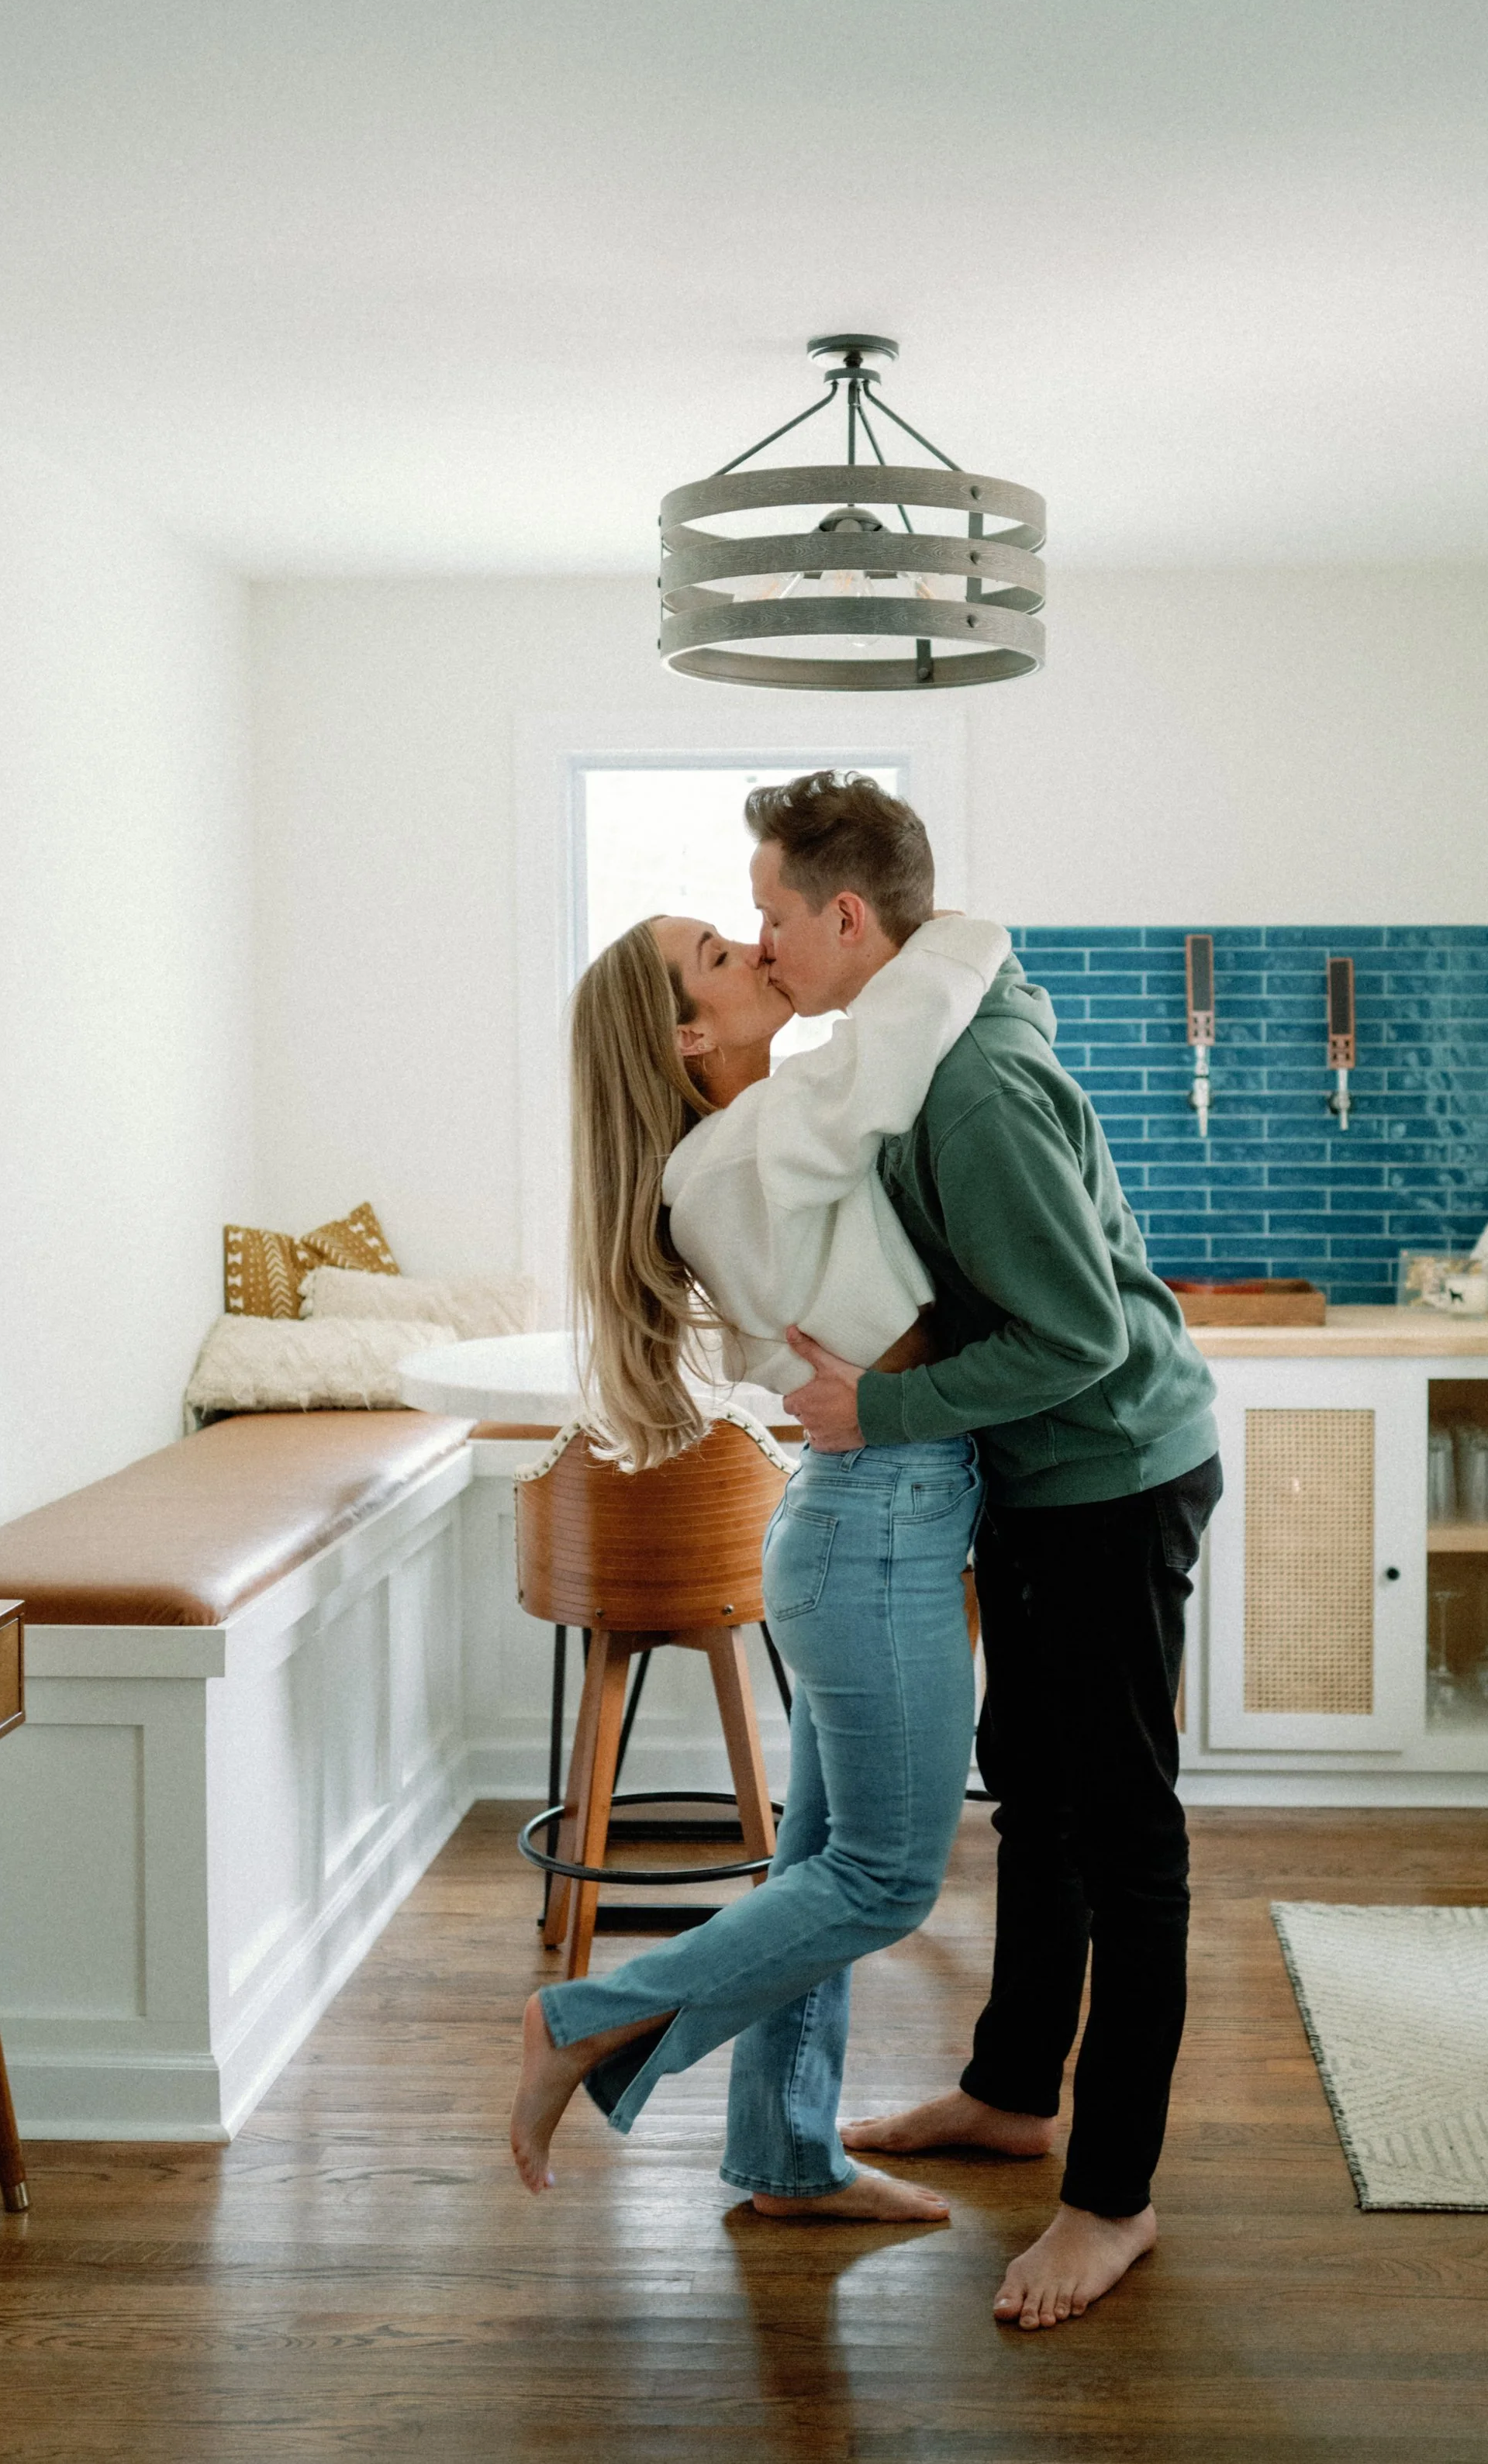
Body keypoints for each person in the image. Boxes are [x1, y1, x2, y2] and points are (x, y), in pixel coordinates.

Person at [754, 771, 1223, 2331]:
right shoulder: (911, 1039)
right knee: (1032, 1783)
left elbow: (1081, 1335)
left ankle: (1113, 2198)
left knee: (1123, 1835)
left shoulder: (967, 1084)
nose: (760, 947)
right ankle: (1014, 2091)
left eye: (769, 917)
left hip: (1108, 1471)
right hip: (1040, 1477)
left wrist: (878, 1407)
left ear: (846, 916)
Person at [507, 838, 1013, 2224]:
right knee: (884, 1880)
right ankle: (588, 2016)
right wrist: (942, 925)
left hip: (874, 1517)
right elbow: (900, 1040)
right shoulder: (737, 1155)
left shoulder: (743, 1144)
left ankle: (787, 2159)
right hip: (877, 1532)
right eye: (723, 956)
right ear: (686, 1032)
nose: (755, 949)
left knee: (821, 1869)